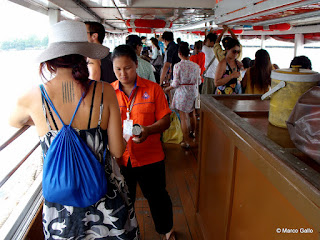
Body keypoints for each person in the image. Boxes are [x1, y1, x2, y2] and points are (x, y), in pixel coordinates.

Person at [8, 20, 139, 239]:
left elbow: (14, 121)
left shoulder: (32, 97)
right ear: (83, 55)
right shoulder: (104, 91)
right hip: (105, 195)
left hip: (61, 205)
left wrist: (42, 122)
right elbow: (117, 150)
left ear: (50, 59)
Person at [110, 45, 176, 240]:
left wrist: (148, 130)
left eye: (128, 68)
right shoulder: (108, 93)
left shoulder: (153, 89)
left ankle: (167, 231)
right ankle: (125, 234)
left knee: (158, 198)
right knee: (122, 200)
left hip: (151, 157)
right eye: (118, 69)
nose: (123, 73)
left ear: (137, 65)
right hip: (121, 158)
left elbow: (165, 120)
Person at [164, 42, 201, 148]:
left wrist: (167, 88)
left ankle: (186, 141)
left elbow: (175, 84)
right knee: (192, 114)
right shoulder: (195, 66)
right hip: (193, 92)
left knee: (184, 117)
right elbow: (199, 81)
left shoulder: (178, 66)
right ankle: (193, 133)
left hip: (182, 93)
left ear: (179, 53)